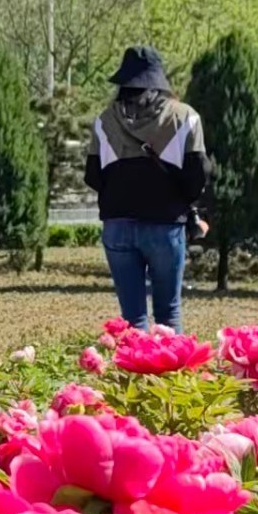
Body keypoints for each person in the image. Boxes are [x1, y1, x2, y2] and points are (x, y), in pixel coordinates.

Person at [84, 45, 210, 333]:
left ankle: (134, 376)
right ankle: (169, 376)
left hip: (117, 225)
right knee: (168, 314)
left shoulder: (104, 121)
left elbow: (93, 175)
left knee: (132, 320)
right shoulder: (185, 116)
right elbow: (197, 175)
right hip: (165, 226)